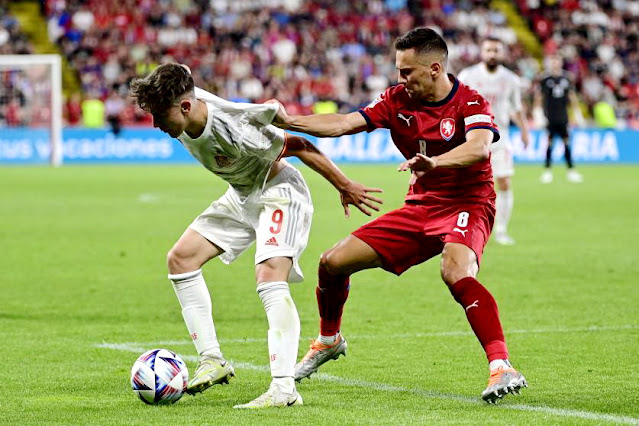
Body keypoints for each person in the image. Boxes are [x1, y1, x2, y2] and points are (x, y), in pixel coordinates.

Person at [269, 27, 527, 404]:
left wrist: (435, 162)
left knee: (455, 271)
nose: (400, 79)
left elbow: (478, 148)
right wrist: (288, 121)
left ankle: (501, 365)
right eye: (399, 70)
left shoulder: (470, 103)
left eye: (408, 71)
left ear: (435, 68)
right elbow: (343, 123)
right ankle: (328, 340)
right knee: (332, 262)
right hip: (420, 206)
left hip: (468, 203)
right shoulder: (396, 100)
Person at [129, 63, 383, 409]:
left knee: (268, 275)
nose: (156, 124)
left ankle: (283, 389)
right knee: (181, 258)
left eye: (160, 116)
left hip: (279, 191)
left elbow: (301, 146)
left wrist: (345, 184)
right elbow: (182, 71)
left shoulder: (233, 129)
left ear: (185, 107)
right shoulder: (185, 100)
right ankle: (212, 360)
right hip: (242, 193)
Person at [458, 37, 530, 246]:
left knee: (504, 182)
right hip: (472, 138)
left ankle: (501, 230)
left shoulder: (511, 79)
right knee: (467, 185)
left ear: (502, 53)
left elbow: (516, 108)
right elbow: (457, 104)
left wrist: (525, 131)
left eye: (496, 50)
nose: (492, 54)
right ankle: (465, 228)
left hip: (501, 137)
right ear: (482, 52)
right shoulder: (468, 75)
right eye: (488, 50)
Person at [535, 55, 583, 183]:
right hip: (550, 116)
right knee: (549, 143)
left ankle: (571, 170)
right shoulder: (545, 79)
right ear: (550, 63)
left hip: (563, 116)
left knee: (566, 142)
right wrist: (538, 114)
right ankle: (547, 171)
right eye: (553, 61)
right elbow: (539, 97)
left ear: (561, 63)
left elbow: (572, 96)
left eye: (557, 61)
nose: (555, 64)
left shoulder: (567, 78)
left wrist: (577, 114)